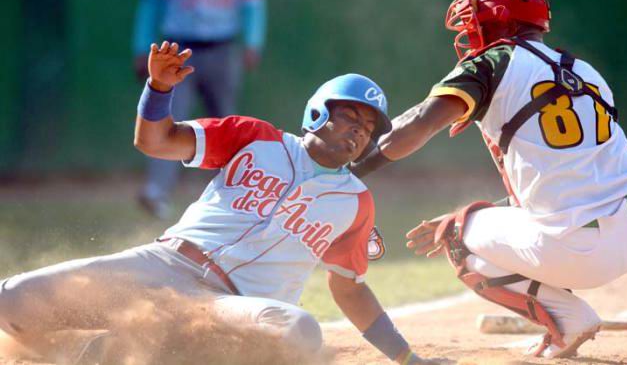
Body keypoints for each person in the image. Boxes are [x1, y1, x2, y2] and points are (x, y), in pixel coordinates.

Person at [0, 41, 434, 365]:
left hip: (231, 307)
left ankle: (137, 345)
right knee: (14, 299)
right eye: (350, 116)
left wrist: (408, 358)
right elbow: (154, 141)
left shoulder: (354, 203)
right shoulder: (255, 138)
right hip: (161, 267)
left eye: (368, 127)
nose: (359, 131)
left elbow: (349, 289)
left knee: (299, 330)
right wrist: (158, 89)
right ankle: (100, 347)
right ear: (319, 113)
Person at [351, 0, 627, 359]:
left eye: (474, 24)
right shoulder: (585, 71)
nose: (470, 34)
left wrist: (352, 168)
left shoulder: (493, 62)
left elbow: (417, 125)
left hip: (579, 247)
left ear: (500, 24)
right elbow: (573, 171)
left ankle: (567, 320)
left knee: (455, 234)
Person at [132, 0, 267, 219]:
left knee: (228, 126)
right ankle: (156, 192)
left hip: (222, 49)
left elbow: (253, 3)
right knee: (168, 118)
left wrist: (253, 42)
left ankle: (235, 196)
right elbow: (151, 2)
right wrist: (142, 46)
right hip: (178, 48)